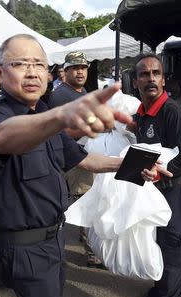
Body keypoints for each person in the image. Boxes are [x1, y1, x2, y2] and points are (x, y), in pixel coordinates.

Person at [0, 34, 170, 297]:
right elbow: (2, 137)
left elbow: (84, 159)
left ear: (48, 73)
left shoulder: (42, 113)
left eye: (39, 65)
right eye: (20, 64)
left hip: (53, 240)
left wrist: (134, 163)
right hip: (23, 247)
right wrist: (60, 115)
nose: (32, 73)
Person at [131, 53, 181, 297]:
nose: (151, 79)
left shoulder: (173, 113)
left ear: (163, 80)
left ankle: (170, 295)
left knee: (175, 246)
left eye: (156, 73)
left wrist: (157, 171)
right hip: (152, 191)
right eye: (144, 74)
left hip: (173, 191)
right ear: (135, 81)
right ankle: (162, 291)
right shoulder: (140, 114)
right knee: (157, 242)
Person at [47, 51, 102, 267]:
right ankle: (92, 254)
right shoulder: (60, 96)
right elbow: (55, 132)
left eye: (83, 67)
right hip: (74, 158)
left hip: (85, 153)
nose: (80, 71)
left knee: (87, 198)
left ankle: (85, 236)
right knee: (85, 199)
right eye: (75, 68)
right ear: (66, 71)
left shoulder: (81, 91)